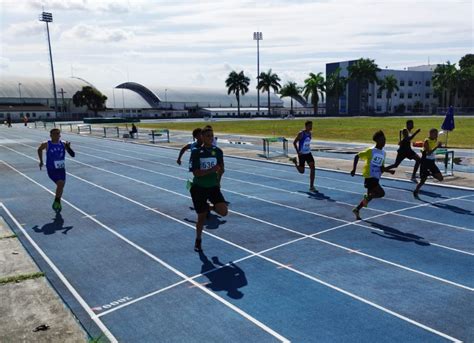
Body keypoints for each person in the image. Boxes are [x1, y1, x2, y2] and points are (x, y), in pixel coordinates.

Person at [189, 126, 228, 252]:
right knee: (201, 218)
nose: (211, 138)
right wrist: (211, 170)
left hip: (213, 187)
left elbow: (221, 169)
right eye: (208, 136)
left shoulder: (218, 151)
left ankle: (208, 207)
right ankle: (198, 240)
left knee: (223, 212)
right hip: (199, 188)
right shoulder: (196, 152)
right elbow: (196, 173)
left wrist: (218, 180)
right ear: (202, 137)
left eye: (212, 136)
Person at [350, 130, 395, 220]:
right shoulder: (371, 151)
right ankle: (366, 198)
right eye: (382, 140)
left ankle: (357, 209)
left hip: (376, 177)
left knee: (370, 197)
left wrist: (389, 171)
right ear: (377, 140)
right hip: (370, 177)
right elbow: (357, 156)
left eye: (385, 140)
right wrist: (354, 169)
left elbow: (381, 167)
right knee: (381, 193)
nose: (384, 142)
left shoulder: (383, 153)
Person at [37, 128, 75, 213]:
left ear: (60, 135)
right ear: (51, 135)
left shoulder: (63, 144)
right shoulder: (46, 144)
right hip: (51, 169)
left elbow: (73, 155)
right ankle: (57, 201)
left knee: (61, 187)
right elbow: (39, 149)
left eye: (58, 133)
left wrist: (68, 148)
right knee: (60, 184)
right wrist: (41, 161)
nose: (56, 135)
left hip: (61, 169)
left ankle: (58, 201)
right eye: (54, 134)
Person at [413, 128, 444, 198]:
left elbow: (433, 150)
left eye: (437, 134)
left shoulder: (435, 140)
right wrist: (437, 147)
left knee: (440, 178)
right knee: (422, 181)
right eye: (435, 134)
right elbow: (428, 153)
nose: (437, 135)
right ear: (431, 134)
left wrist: (439, 146)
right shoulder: (426, 141)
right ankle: (416, 191)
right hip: (425, 162)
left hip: (432, 162)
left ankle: (429, 173)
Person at [290, 120, 316, 192]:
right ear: (306, 126)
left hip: (308, 153)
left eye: (311, 126)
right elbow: (294, 142)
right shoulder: (301, 133)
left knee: (313, 168)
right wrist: (298, 152)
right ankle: (295, 162)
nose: (311, 127)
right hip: (302, 154)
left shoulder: (310, 134)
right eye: (310, 126)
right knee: (302, 171)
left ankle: (311, 186)